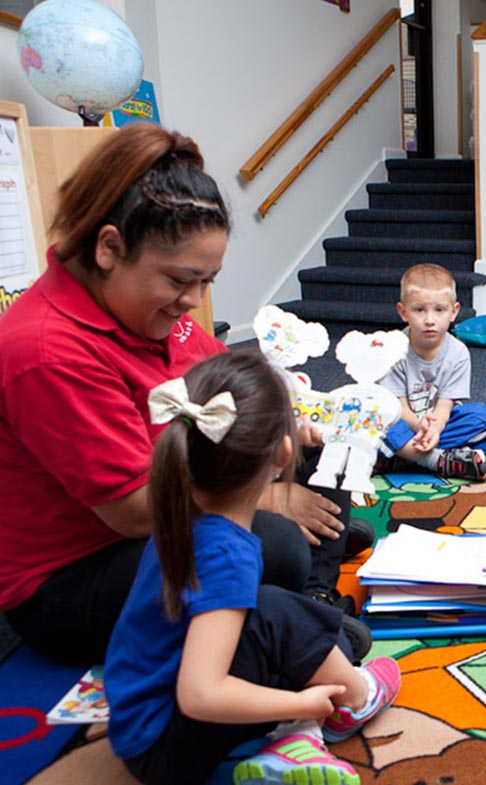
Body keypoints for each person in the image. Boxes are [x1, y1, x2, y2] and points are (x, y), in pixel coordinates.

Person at [0, 124, 368, 666]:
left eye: (206, 281)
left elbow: (232, 385)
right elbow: (131, 511)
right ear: (109, 248)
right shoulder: (46, 351)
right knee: (277, 544)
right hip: (79, 575)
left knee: (321, 452)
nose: (192, 301)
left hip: (182, 493)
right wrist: (262, 495)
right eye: (179, 280)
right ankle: (298, 601)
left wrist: (287, 428)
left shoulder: (150, 316)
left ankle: (306, 586)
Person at [105, 352, 401, 785]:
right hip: (170, 749)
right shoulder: (227, 552)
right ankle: (343, 707)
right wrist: (300, 705)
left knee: (310, 629)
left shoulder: (180, 516)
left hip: (144, 729)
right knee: (286, 619)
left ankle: (301, 727)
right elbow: (200, 694)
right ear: (286, 452)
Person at [377, 263, 486, 481]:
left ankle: (399, 456)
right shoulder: (393, 348)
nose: (430, 320)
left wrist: (435, 429)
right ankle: (435, 460)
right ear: (403, 312)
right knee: (374, 418)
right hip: (402, 421)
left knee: (482, 417)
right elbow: (397, 407)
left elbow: (445, 406)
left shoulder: (458, 352)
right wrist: (417, 424)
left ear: (454, 312)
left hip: (435, 426)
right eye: (419, 310)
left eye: (439, 310)